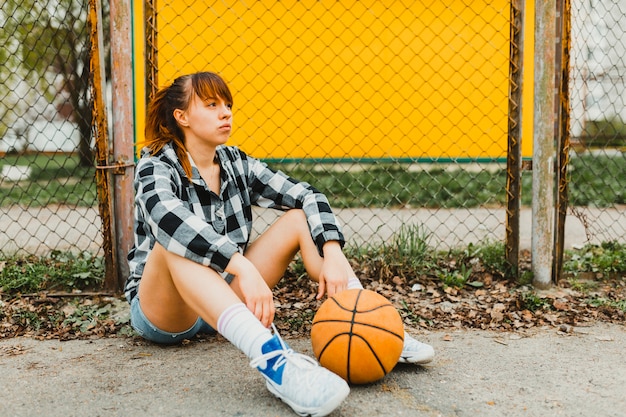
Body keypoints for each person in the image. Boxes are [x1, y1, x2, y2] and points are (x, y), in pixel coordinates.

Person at [124, 71, 434, 416]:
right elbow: (168, 219)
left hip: (223, 297)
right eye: (212, 105)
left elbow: (307, 196)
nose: (226, 112)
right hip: (166, 312)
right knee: (171, 244)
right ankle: (276, 363)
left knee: (300, 218)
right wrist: (241, 265)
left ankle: (373, 324)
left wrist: (331, 250)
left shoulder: (235, 163)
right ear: (181, 117)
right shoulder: (155, 165)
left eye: (227, 105)